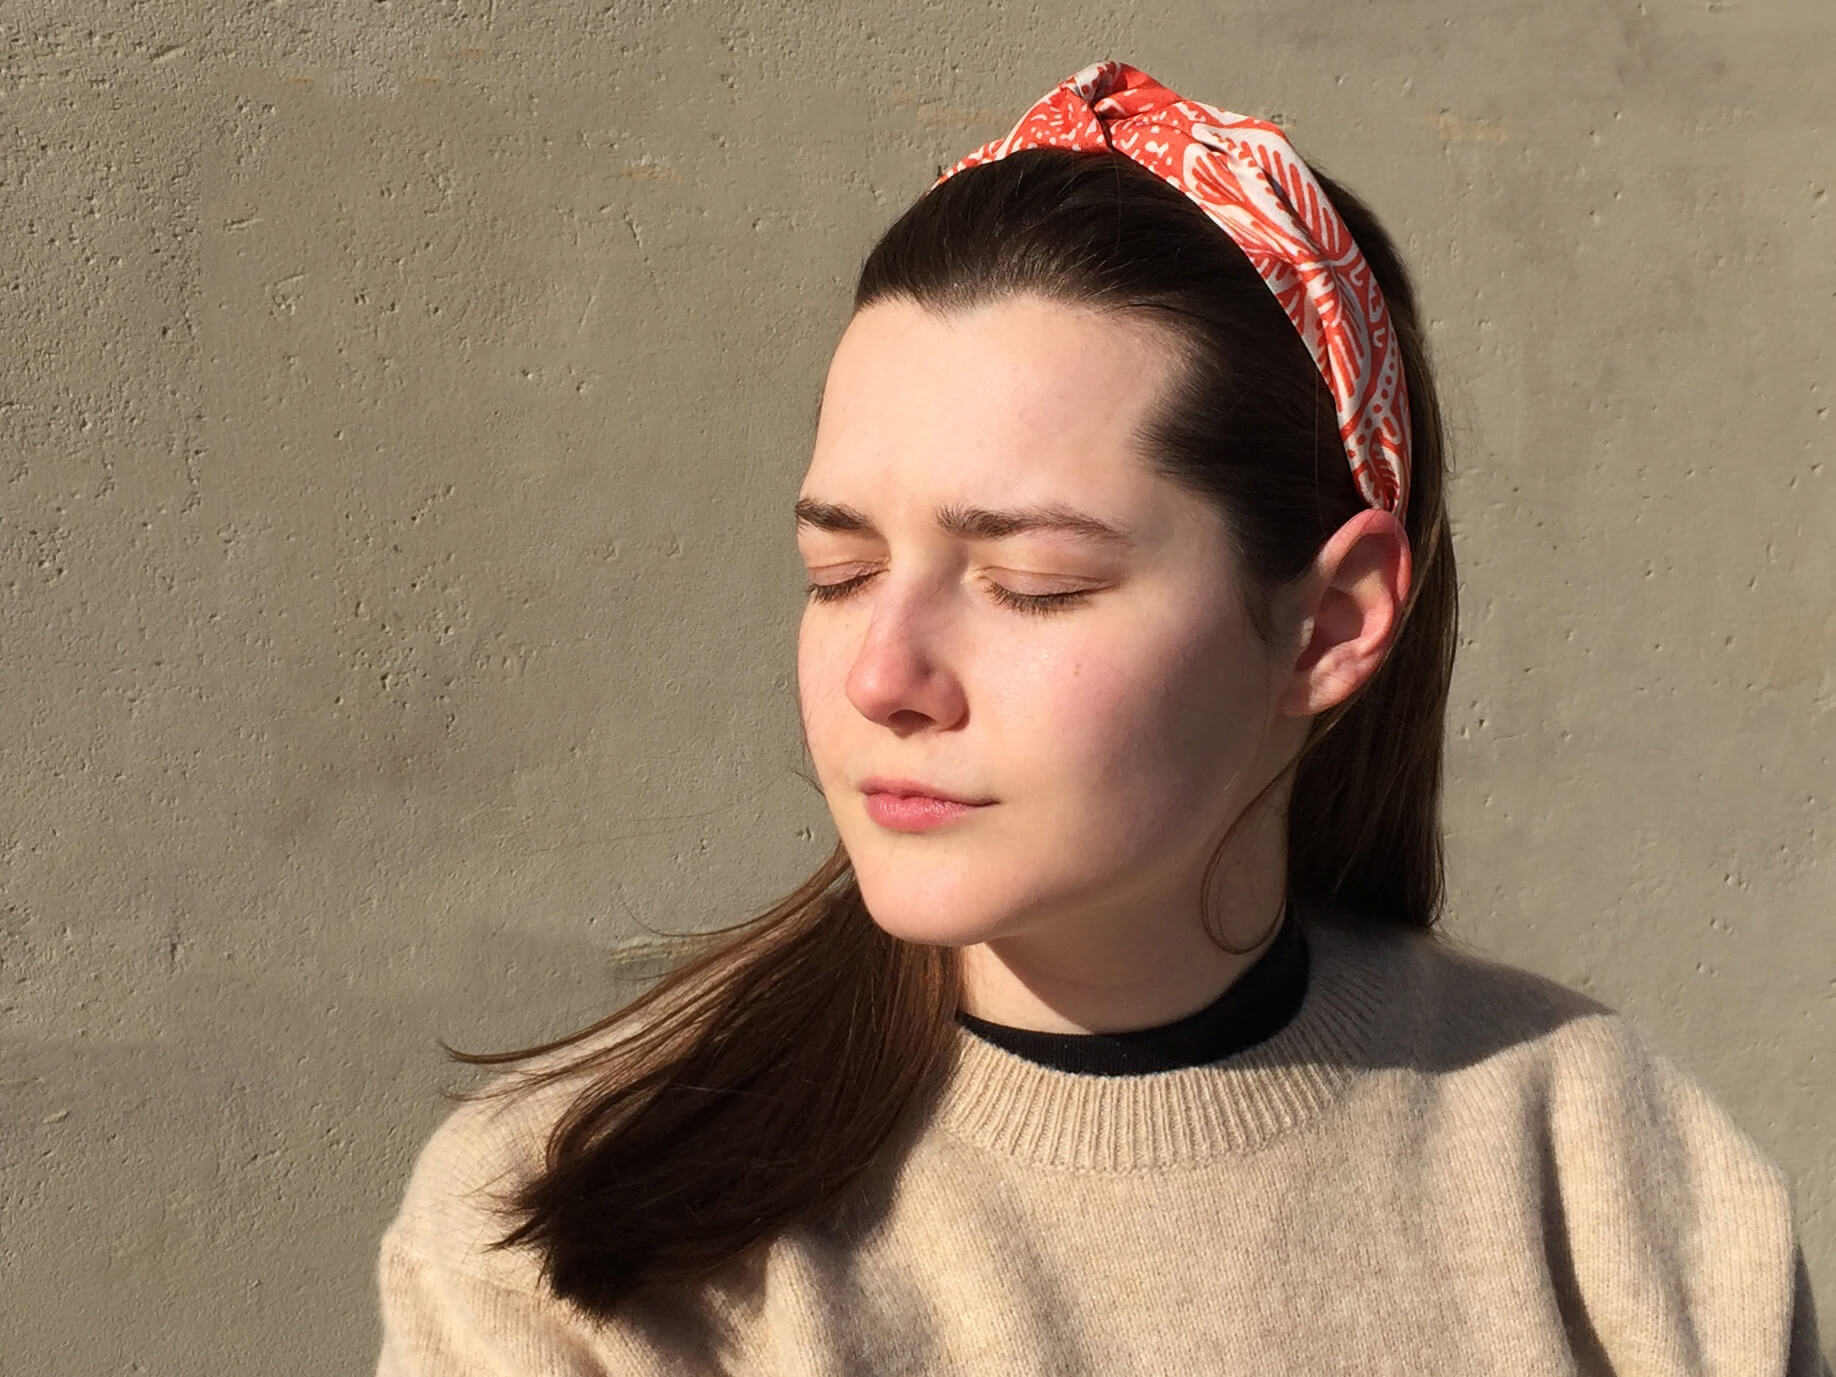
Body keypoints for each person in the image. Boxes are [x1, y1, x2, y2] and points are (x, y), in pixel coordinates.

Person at [373, 61, 1827, 1375]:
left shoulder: (1609, 1180)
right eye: (840, 571)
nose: (884, 675)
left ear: (1328, 625)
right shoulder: (576, 1243)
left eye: (1032, 582)